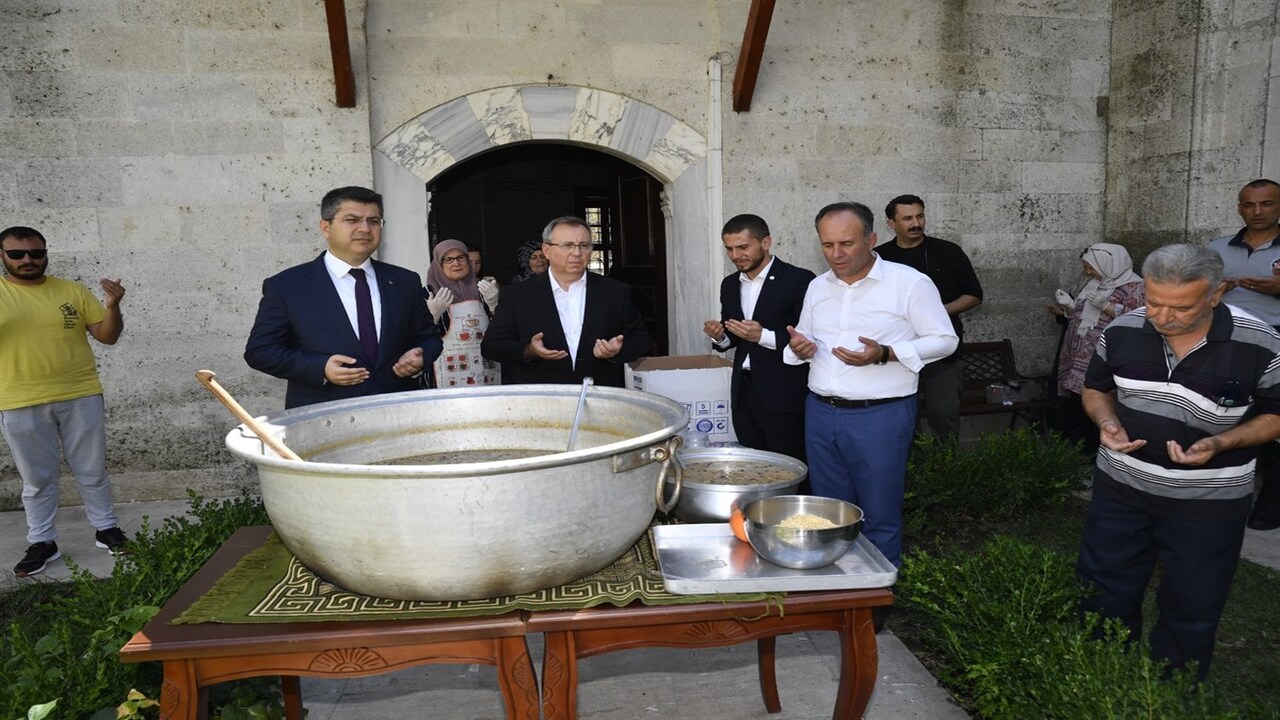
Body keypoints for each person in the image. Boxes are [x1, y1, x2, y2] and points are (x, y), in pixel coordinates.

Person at [1078, 243, 1280, 680]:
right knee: (1102, 594)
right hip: (1121, 493)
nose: (1162, 318)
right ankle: (1101, 682)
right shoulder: (1123, 331)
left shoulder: (1260, 342)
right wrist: (1106, 420)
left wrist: (1222, 443)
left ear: (1216, 293)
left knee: (1192, 605)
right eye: (1153, 302)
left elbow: (1275, 414)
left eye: (1181, 307)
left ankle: (1172, 692)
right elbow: (1096, 388)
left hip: (1208, 504)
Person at [783, 202, 957, 568]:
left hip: (880, 416)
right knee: (829, 514)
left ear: (872, 239)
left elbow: (945, 340)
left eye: (846, 243)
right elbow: (807, 340)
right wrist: (802, 347)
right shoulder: (817, 287)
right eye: (827, 245)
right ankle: (837, 595)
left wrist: (886, 353)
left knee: (878, 516)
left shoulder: (909, 283)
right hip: (820, 413)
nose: (836, 254)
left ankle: (873, 606)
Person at [0, 226, 131, 577]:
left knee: (92, 469)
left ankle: (107, 529)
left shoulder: (72, 290)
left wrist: (113, 306)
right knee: (38, 478)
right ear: (3, 256)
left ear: (45, 254)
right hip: (18, 398)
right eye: (17, 254)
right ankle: (42, 541)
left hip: (80, 393)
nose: (27, 260)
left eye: (35, 253)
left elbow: (107, 336)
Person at [245, 186, 442, 409]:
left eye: (374, 221)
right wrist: (320, 368)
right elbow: (260, 351)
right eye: (352, 220)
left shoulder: (404, 281)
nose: (365, 229)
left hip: (398, 409)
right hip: (324, 414)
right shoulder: (287, 286)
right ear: (325, 227)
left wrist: (421, 356)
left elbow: (429, 338)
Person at [482, 216, 652, 387]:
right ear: (546, 250)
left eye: (584, 245)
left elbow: (641, 340)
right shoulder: (518, 295)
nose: (577, 253)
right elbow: (491, 346)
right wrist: (529, 350)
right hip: (543, 397)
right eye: (568, 245)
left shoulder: (615, 291)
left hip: (601, 394)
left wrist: (616, 350)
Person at [703, 214, 814, 462]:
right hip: (744, 394)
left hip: (783, 395)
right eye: (729, 249)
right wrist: (720, 337)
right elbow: (734, 336)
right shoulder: (729, 284)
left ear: (766, 242)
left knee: (790, 466)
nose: (735, 255)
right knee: (754, 466)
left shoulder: (799, 279)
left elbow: (811, 340)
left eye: (743, 247)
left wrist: (762, 335)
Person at [875, 195, 982, 440]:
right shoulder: (879, 258)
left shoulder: (948, 251)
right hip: (896, 351)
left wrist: (932, 313)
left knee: (942, 413)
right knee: (899, 415)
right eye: (907, 218)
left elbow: (974, 295)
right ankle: (909, 469)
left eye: (920, 216)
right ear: (891, 223)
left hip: (942, 352)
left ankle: (944, 471)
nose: (916, 223)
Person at [1208, 178, 1280, 531]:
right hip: (1229, 343)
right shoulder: (1218, 248)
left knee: (1276, 418)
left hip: (1278, 345)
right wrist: (1213, 291)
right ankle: (1218, 488)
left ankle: (1273, 497)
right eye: (1249, 205)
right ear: (1239, 207)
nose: (1257, 212)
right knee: (1227, 412)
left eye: (1266, 204)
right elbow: (1193, 290)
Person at [1046, 243, 1145, 454]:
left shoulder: (1135, 287)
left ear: (1110, 265)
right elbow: (1082, 315)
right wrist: (1068, 308)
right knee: (1078, 401)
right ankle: (1079, 446)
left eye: (1091, 267)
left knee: (1100, 399)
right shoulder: (1094, 284)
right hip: (1078, 355)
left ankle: (1095, 449)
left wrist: (1107, 306)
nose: (1087, 272)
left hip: (1104, 355)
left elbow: (1139, 318)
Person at [425, 239, 501, 387]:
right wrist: (432, 317)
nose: (456, 263)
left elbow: (503, 330)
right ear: (438, 265)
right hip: (447, 372)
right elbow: (417, 338)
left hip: (486, 370)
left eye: (461, 258)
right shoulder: (428, 295)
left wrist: (495, 306)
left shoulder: (485, 289)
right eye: (448, 259)